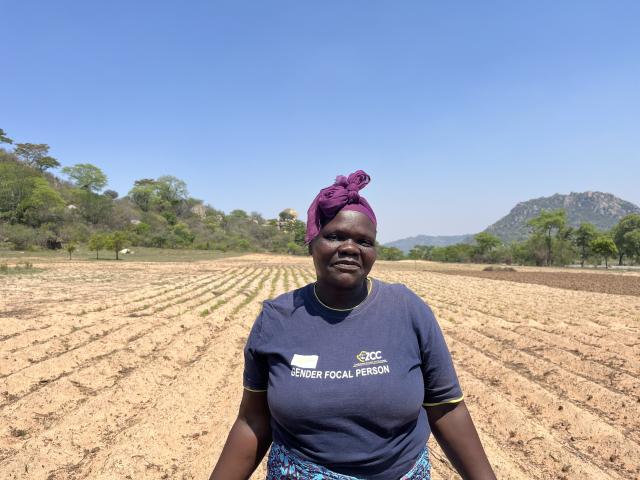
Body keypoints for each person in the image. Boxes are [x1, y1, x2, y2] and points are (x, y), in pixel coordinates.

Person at [210, 170, 496, 480]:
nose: (350, 248)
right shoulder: (277, 318)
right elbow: (253, 420)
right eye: (334, 236)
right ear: (312, 242)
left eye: (364, 241)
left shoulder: (407, 310)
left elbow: (446, 408)